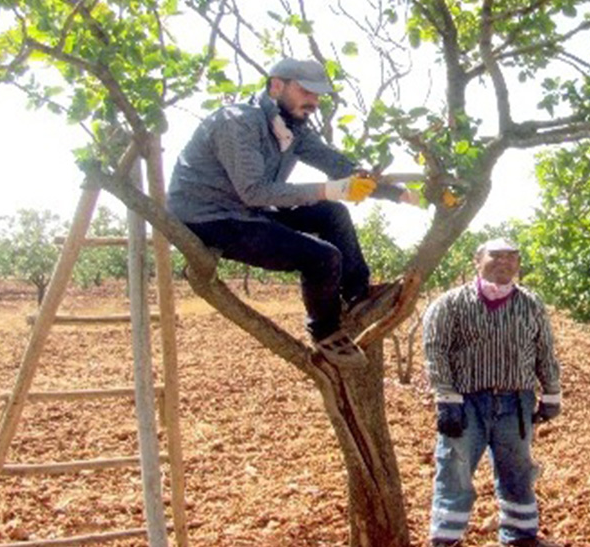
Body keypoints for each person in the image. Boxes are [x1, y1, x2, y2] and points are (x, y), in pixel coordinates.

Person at [167, 57, 415, 368]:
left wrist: (402, 194)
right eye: (306, 92)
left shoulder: (294, 126)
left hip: (247, 209)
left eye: (318, 95)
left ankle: (357, 295)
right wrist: (330, 188)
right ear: (276, 86)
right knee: (322, 257)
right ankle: (325, 332)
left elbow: (338, 166)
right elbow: (254, 191)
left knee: (332, 213)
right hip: (209, 217)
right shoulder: (237, 121)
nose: (313, 101)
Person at [423, 238, 562, 547]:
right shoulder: (450, 303)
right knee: (455, 470)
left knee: (518, 469)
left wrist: (551, 393)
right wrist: (445, 398)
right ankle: (445, 538)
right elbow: (436, 351)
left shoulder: (531, 303)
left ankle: (520, 535)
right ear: (477, 260)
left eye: (512, 257)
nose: (505, 262)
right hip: (466, 402)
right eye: (496, 256)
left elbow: (544, 351)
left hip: (516, 401)